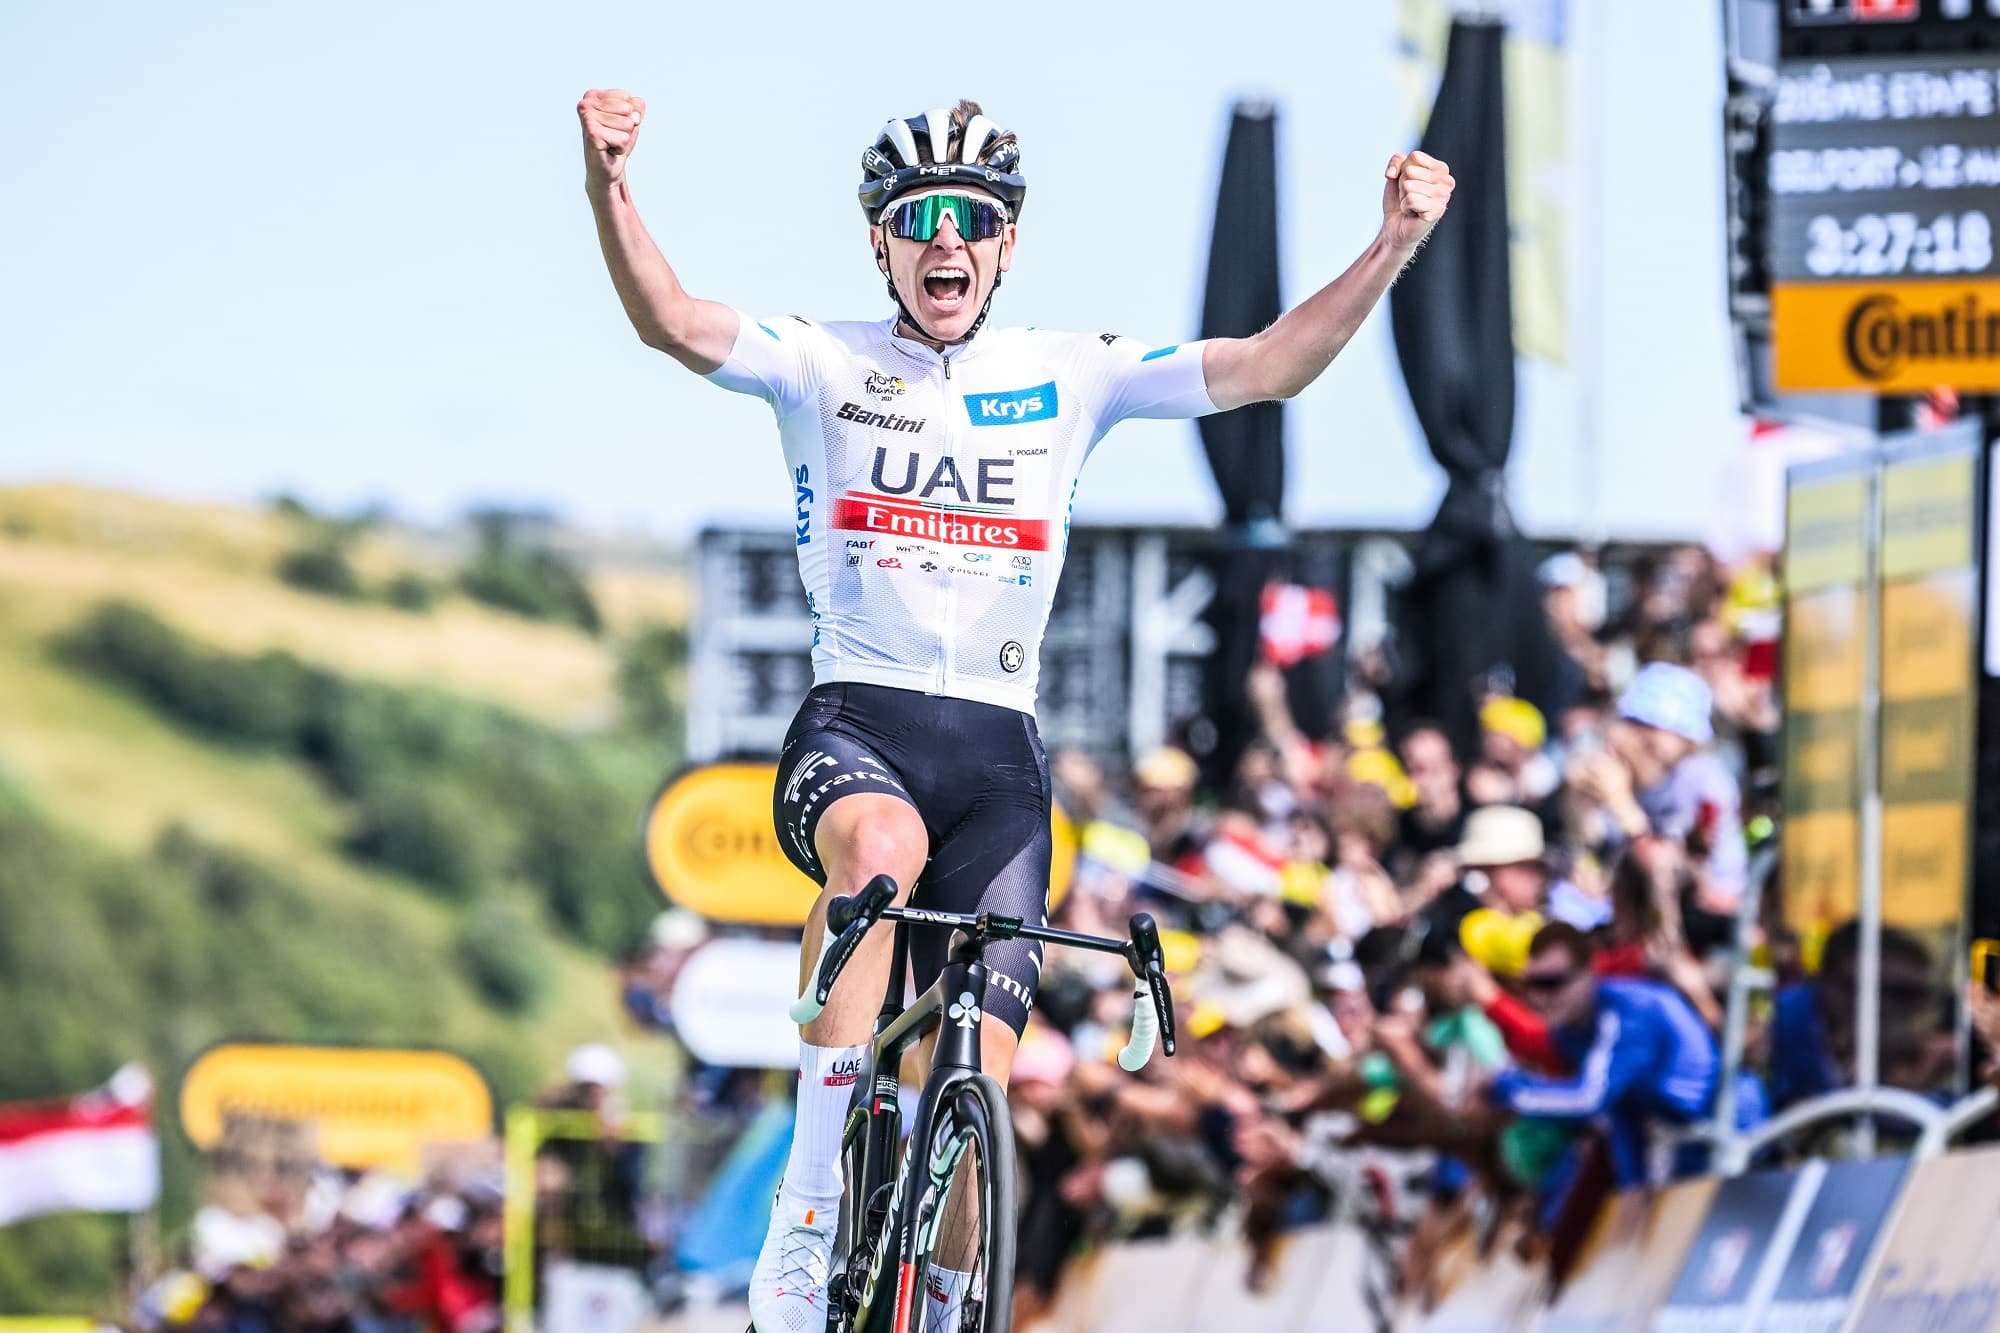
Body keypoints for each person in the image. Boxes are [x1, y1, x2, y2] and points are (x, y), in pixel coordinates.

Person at [575, 89, 1453, 1332]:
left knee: (973, 1077)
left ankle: (944, 1299)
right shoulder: (821, 361)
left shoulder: (1069, 374)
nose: (945, 240)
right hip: (859, 727)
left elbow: (1271, 365)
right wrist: (610, 182)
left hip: (997, 758)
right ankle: (808, 1207)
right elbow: (668, 318)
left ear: (1006, 243)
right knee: (880, 858)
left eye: (972, 220)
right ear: (879, 242)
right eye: (917, 219)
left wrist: (1391, 241)